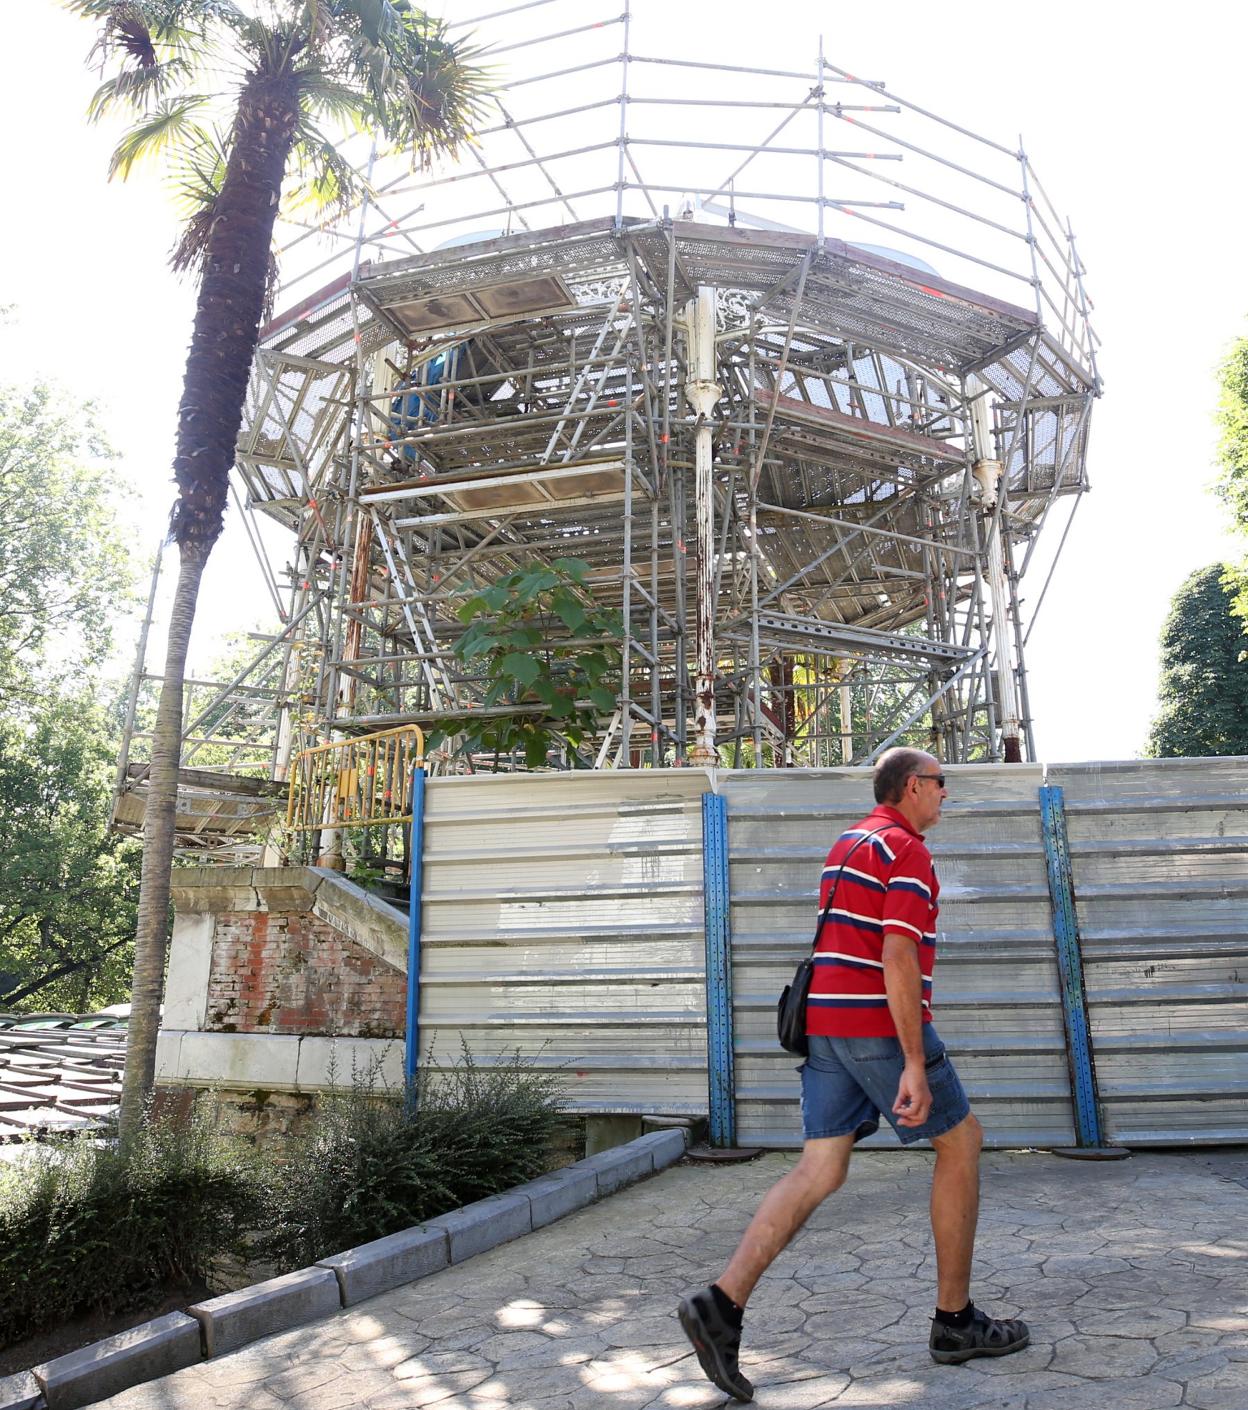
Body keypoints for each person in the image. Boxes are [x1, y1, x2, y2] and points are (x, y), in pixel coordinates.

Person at [678, 747, 1029, 1402]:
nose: (946, 794)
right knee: (961, 1143)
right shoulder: (908, 851)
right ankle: (955, 1324)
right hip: (875, 1026)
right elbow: (896, 954)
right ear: (910, 786)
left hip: (825, 1025)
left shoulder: (849, 843)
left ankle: (720, 1305)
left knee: (821, 1168)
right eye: (939, 783)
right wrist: (915, 1063)